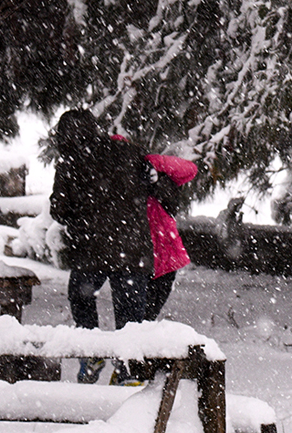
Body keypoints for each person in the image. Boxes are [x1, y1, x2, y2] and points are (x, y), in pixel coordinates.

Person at [49, 110, 154, 386]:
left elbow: (58, 210)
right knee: (131, 314)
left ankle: (91, 349)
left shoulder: (69, 163)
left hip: (91, 250)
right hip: (132, 248)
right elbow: (155, 185)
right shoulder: (128, 152)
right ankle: (130, 369)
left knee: (81, 297)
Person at [109, 135, 198, 320]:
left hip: (160, 260)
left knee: (141, 321)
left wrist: (153, 162)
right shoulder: (113, 185)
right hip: (138, 261)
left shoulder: (153, 174)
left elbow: (190, 170)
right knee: (135, 323)